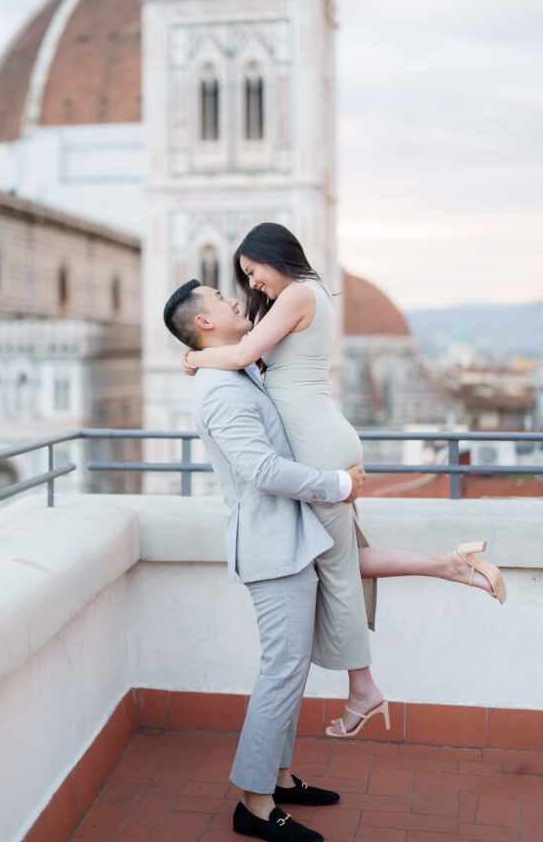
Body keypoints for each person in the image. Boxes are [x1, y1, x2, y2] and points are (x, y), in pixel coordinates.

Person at [181, 223, 507, 740]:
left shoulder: (298, 295)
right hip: (324, 437)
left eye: (251, 272)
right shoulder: (306, 295)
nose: (252, 284)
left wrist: (196, 357)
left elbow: (242, 357)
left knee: (337, 570)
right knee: (344, 560)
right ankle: (451, 567)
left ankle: (364, 688)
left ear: (272, 256)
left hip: (318, 444)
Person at [163, 279, 365, 842]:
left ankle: (276, 778)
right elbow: (264, 471)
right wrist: (337, 485)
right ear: (204, 324)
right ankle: (253, 805)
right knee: (280, 672)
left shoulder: (232, 369)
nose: (235, 301)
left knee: (290, 669)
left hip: (287, 540)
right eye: (221, 300)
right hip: (270, 547)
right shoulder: (221, 390)